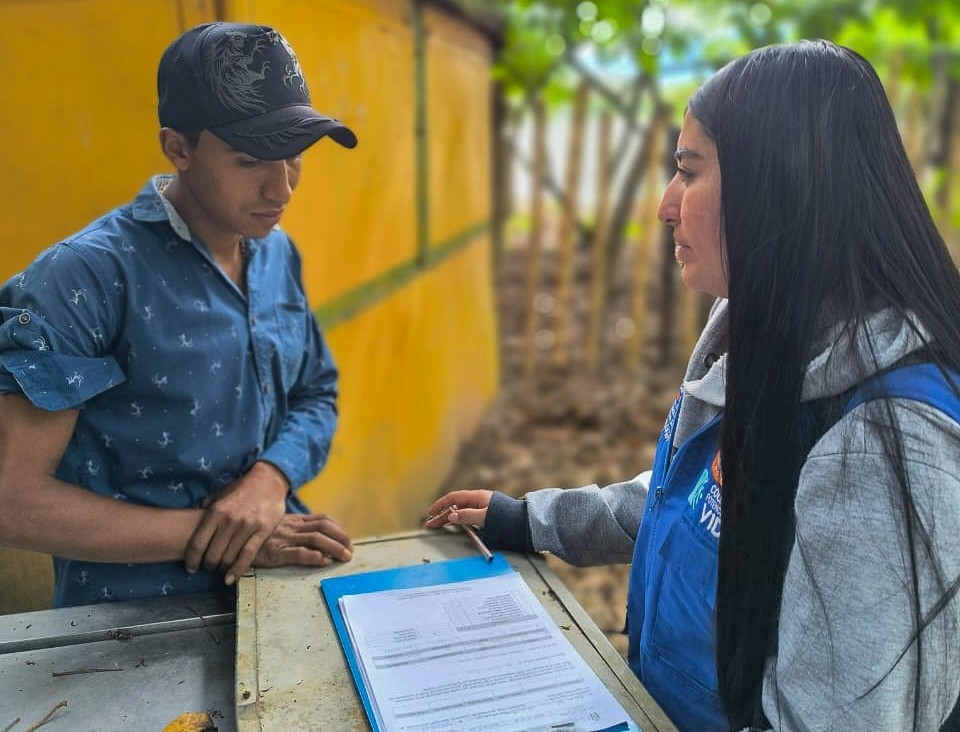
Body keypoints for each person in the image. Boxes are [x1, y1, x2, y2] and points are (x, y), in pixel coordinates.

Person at [426, 39, 960, 732]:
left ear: (781, 186)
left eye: (689, 171)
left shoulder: (885, 450)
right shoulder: (763, 327)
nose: (665, 205)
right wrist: (532, 520)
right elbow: (695, 494)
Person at [0, 22, 357, 607]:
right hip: (131, 619)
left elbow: (317, 393)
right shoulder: (85, 277)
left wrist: (269, 480)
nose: (282, 190)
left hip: (275, 592)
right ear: (179, 149)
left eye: (294, 157)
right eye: (250, 160)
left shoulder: (277, 253)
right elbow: (14, 502)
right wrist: (224, 533)